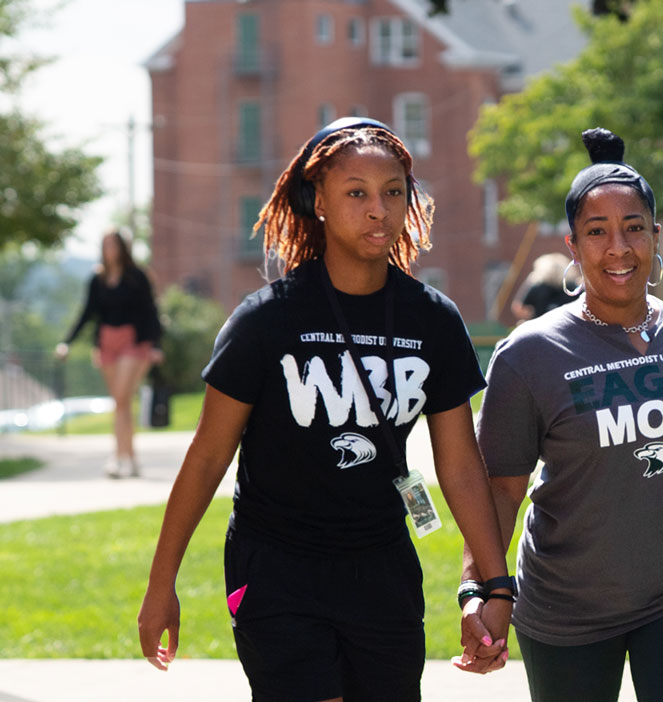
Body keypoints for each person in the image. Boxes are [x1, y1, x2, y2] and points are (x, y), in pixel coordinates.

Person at [135, 117, 514, 702]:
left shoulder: (432, 320)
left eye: (393, 192)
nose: (378, 210)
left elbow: (460, 464)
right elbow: (208, 456)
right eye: (356, 193)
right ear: (318, 202)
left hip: (382, 563)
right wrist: (162, 584)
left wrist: (493, 588)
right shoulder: (265, 321)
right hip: (276, 567)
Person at [456, 128, 663, 702]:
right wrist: (479, 592)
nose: (618, 249)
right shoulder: (529, 355)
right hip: (566, 607)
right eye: (596, 233)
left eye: (633, 229)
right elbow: (500, 492)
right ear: (574, 248)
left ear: (656, 236)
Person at [55, 229, 164, 478]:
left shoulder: (137, 277)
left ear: (122, 248)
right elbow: (87, 313)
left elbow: (151, 311)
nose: (109, 250)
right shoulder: (98, 279)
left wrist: (156, 344)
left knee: (123, 399)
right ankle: (132, 458)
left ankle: (117, 458)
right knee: (120, 403)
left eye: (113, 245)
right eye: (105, 245)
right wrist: (67, 342)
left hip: (132, 343)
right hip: (106, 342)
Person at [511, 252, 578, 322]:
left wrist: (532, 317)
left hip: (541, 325)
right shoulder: (571, 288)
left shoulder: (537, 287)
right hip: (566, 324)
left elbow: (518, 308)